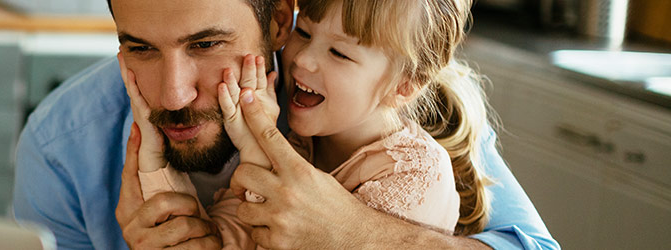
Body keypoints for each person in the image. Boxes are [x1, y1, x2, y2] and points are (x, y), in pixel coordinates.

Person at [11, 0, 560, 249]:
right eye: (140, 48)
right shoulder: (62, 145)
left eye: (207, 44)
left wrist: (356, 234)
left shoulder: (403, 111)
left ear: (278, 22)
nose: (173, 93)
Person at [127, 0, 493, 247]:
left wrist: (257, 149)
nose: (303, 60)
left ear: (406, 85)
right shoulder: (301, 145)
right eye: (305, 33)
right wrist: (154, 169)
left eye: (339, 52)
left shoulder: (416, 176)